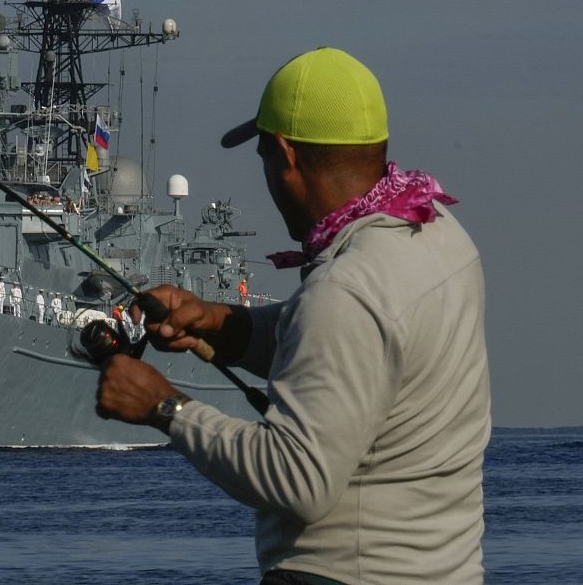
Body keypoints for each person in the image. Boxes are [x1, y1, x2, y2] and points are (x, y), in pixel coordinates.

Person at [95, 48, 490, 584]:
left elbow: (298, 480)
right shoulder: (437, 232)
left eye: (262, 158)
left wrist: (165, 407)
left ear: (286, 155)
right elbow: (356, 355)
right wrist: (220, 324)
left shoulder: (344, 291)